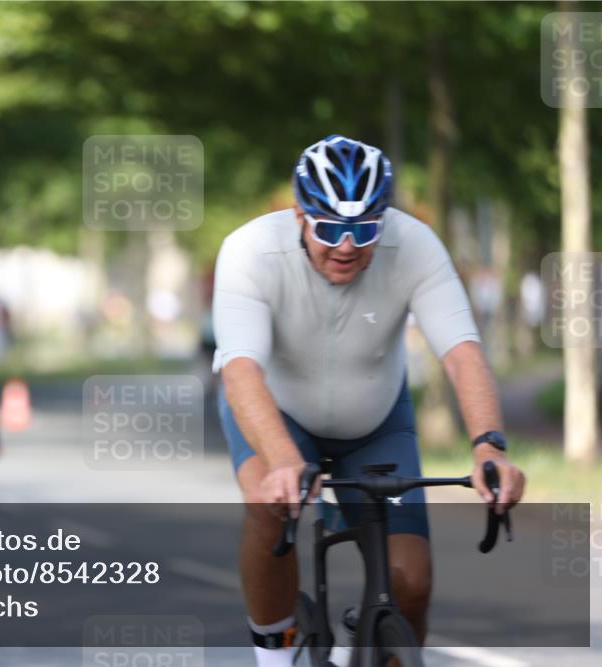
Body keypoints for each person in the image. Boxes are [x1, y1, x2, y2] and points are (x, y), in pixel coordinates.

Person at [212, 135, 526, 666]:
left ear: (385, 219)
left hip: (376, 424)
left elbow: (461, 353)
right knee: (270, 504)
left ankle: (364, 647)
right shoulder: (249, 251)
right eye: (330, 229)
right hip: (277, 416)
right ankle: (274, 655)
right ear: (299, 216)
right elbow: (242, 370)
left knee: (412, 583)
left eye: (365, 230)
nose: (347, 246)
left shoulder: (417, 245)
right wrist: (286, 461)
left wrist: (488, 446)